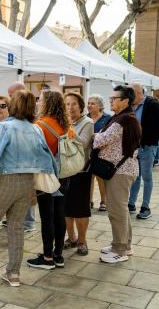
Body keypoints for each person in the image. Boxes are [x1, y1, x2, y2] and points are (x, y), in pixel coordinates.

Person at [0, 90, 57, 288]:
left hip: (4, 180)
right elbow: (45, 158)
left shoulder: (3, 127)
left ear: (13, 105)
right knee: (17, 228)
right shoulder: (36, 129)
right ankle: (13, 274)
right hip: (26, 183)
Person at [27, 90, 74, 270]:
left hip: (46, 175)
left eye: (41, 99)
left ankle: (47, 258)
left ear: (46, 103)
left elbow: (35, 153)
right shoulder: (67, 124)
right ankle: (58, 255)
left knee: (47, 216)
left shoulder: (40, 125)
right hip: (64, 174)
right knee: (59, 214)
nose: (38, 102)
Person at [94, 86, 141, 263]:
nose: (111, 100)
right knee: (120, 210)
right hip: (120, 170)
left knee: (117, 210)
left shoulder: (124, 120)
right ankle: (122, 245)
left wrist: (95, 137)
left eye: (114, 98)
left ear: (125, 101)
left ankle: (120, 250)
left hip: (120, 172)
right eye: (111, 97)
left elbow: (101, 139)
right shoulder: (123, 118)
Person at [128, 83, 159, 219]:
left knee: (146, 176)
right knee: (135, 176)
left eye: (132, 94)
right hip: (134, 147)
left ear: (140, 93)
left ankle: (145, 207)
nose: (129, 97)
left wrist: (148, 141)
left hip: (147, 146)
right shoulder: (131, 105)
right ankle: (131, 204)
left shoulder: (152, 104)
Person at [63, 92, 94, 256]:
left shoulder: (87, 122)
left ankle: (82, 241)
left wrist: (69, 131)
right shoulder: (65, 122)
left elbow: (83, 143)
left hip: (81, 171)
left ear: (81, 106)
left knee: (81, 208)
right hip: (66, 170)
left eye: (74, 104)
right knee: (67, 208)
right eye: (67, 104)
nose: (70, 107)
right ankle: (71, 238)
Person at [8, 83, 37, 233]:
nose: (10, 98)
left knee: (28, 193)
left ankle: (29, 223)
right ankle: (19, 221)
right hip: (16, 164)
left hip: (27, 163)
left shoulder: (31, 116)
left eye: (12, 95)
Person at [87, 94, 111, 211]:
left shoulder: (108, 118)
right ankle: (89, 200)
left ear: (100, 105)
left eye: (92, 103)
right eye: (89, 103)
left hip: (102, 152)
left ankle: (104, 201)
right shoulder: (85, 117)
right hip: (87, 152)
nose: (89, 105)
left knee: (101, 177)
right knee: (88, 177)